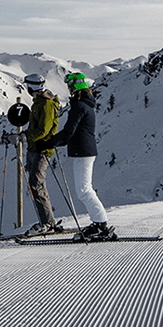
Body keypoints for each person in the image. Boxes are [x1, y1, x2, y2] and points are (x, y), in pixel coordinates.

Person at [47, 72, 115, 241]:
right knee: (85, 190)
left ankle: (101, 225)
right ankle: (99, 223)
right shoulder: (85, 104)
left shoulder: (79, 106)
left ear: (75, 86)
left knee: (84, 191)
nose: (68, 87)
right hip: (84, 151)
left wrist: (49, 143)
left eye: (70, 84)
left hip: (83, 152)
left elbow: (69, 131)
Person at [21, 73, 63, 236]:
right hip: (36, 148)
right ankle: (47, 221)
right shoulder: (40, 102)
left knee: (37, 185)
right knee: (36, 185)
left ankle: (47, 223)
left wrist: (26, 136)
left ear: (32, 87)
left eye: (28, 86)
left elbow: (43, 130)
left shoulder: (45, 104)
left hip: (41, 149)